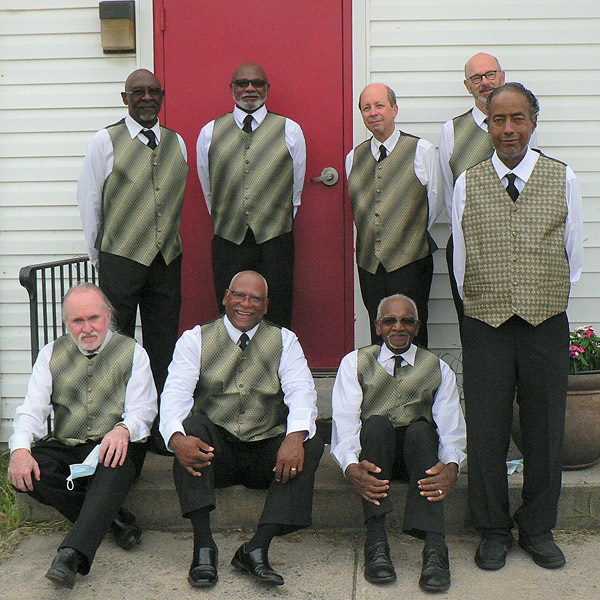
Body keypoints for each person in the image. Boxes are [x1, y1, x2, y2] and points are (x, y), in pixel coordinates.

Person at [452, 82, 583, 571]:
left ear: (533, 121)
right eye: (498, 120)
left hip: (544, 319)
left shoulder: (562, 177)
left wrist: (540, 294)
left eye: (518, 119)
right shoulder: (469, 180)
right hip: (485, 321)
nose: (508, 129)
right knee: (485, 426)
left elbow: (573, 256)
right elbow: (461, 258)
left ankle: (538, 527)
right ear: (487, 124)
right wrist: (486, 301)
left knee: (545, 425)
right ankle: (491, 528)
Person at [160, 270, 324, 588]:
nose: (246, 304)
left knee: (310, 441)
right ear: (225, 297)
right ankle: (203, 545)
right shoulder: (195, 339)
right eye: (239, 295)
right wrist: (176, 439)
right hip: (217, 454)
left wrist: (294, 437)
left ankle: (257, 548)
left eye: (255, 299)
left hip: (266, 455)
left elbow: (302, 392)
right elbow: (174, 395)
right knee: (190, 427)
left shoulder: (284, 340)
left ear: (266, 305)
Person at [8, 283, 157, 589]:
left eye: (94, 318)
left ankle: (71, 555)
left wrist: (123, 429)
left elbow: (143, 411)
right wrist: (20, 450)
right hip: (69, 444)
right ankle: (114, 518)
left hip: (116, 446)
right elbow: (31, 410)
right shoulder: (51, 354)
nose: (87, 328)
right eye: (78, 321)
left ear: (109, 315)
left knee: (116, 457)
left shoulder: (133, 353)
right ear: (66, 322)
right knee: (27, 470)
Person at [77, 68, 188, 453]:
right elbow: (90, 203)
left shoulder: (178, 143)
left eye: (153, 91)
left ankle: (157, 429)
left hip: (166, 259)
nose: (146, 98)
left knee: (163, 345)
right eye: (137, 92)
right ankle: (113, 426)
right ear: (125, 98)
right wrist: (101, 256)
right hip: (120, 257)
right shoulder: (104, 142)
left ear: (162, 96)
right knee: (115, 344)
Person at [331, 294, 466, 593]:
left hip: (418, 459)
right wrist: (351, 466)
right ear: (378, 326)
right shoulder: (355, 363)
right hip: (375, 459)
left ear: (417, 327)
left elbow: (451, 428)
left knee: (421, 430)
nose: (398, 327)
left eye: (407, 321)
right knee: (376, 424)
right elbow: (346, 424)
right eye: (390, 321)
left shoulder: (437, 367)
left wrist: (452, 465)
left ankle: (434, 547)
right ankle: (376, 540)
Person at [196, 62, 306, 329]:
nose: (250, 88)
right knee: (231, 308)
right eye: (242, 83)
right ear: (232, 88)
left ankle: (276, 366)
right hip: (228, 238)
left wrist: (275, 221)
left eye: (257, 83)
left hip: (275, 237)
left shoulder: (290, 130)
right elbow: (208, 188)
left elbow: (296, 190)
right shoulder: (210, 132)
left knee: (277, 306)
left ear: (267, 88)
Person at [346, 84, 441, 346]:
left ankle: (418, 383)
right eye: (366, 108)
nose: (373, 113)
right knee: (379, 329)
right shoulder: (353, 157)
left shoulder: (421, 150)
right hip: (369, 263)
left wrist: (406, 234)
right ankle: (381, 384)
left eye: (379, 106)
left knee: (414, 329)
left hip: (410, 260)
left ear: (394, 109)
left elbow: (435, 202)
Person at [439, 53, 505, 324]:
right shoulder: (451, 130)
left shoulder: (525, 124)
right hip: (469, 245)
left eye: (490, 75)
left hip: (514, 245)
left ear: (502, 77)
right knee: (473, 326)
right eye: (476, 78)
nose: (485, 83)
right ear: (467, 86)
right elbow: (447, 192)